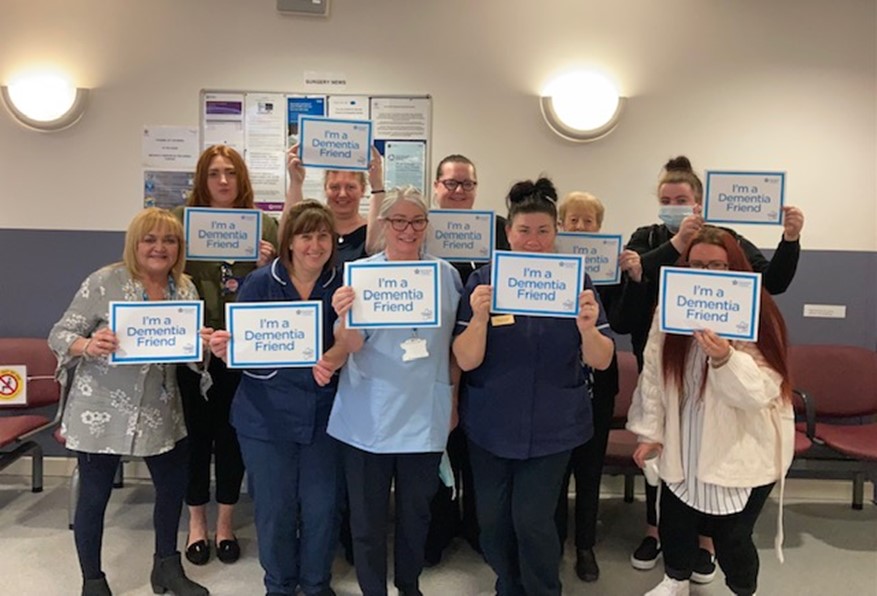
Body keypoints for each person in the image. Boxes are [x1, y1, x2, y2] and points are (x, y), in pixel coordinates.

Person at [616, 156, 804, 580]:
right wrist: (651, 431)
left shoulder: (758, 313)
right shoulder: (665, 288)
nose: (707, 273)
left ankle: (737, 582)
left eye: (716, 266)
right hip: (684, 435)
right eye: (697, 267)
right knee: (675, 515)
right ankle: (675, 578)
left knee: (732, 535)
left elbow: (762, 387)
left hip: (738, 438)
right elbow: (652, 373)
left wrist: (725, 359)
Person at [453, 178, 615, 596]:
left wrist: (586, 328)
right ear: (508, 233)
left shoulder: (576, 284)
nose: (533, 240)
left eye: (543, 231)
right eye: (524, 231)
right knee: (492, 519)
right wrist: (478, 319)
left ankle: (543, 589)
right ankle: (508, 584)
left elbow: (602, 358)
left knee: (532, 518)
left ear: (555, 234)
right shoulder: (484, 285)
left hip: (553, 426)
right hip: (490, 424)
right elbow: (466, 359)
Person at [48, 208, 208, 596]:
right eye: (149, 239)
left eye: (169, 240)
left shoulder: (184, 288)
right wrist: (88, 344)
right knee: (95, 496)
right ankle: (93, 580)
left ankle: (166, 568)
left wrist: (202, 346)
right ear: (134, 244)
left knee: (171, 490)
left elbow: (189, 357)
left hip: (159, 407)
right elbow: (59, 334)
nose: (159, 247)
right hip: (100, 407)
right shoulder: (104, 281)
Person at [203, 200, 346, 596]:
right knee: (275, 509)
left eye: (322, 236)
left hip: (326, 415)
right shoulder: (261, 283)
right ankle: (279, 585)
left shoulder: (343, 286)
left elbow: (355, 341)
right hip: (264, 417)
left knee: (322, 508)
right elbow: (240, 350)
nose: (315, 246)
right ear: (289, 242)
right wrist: (224, 349)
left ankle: (316, 584)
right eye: (305, 236)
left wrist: (336, 355)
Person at [329, 185, 462, 596]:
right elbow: (348, 343)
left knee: (415, 515)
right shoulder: (360, 276)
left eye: (417, 221)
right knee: (366, 520)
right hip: (368, 412)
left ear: (427, 225)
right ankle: (373, 589)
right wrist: (343, 316)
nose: (408, 229)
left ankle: (409, 586)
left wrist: (453, 399)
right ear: (384, 224)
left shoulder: (446, 275)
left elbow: (455, 347)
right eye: (399, 220)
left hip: (425, 412)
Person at [172, 145, 279, 566]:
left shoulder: (265, 224)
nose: (222, 181)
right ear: (202, 178)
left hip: (242, 347)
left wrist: (260, 266)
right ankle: (197, 522)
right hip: (194, 349)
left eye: (230, 173)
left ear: (242, 179)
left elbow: (282, 287)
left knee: (233, 437)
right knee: (196, 438)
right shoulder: (182, 223)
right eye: (214, 173)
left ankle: (225, 523)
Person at [553, 191, 621, 583]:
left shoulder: (608, 271)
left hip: (596, 389)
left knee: (589, 471)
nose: (580, 227)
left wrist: (630, 276)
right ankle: (557, 540)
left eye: (588, 221)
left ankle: (585, 546)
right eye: (572, 220)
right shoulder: (548, 274)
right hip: (558, 391)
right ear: (561, 226)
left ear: (599, 226)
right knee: (556, 474)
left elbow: (623, 324)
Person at [286, 143, 383, 263]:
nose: (342, 194)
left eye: (350, 187)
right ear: (325, 189)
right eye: (335, 187)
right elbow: (289, 231)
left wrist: (377, 184)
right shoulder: (313, 232)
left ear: (362, 190)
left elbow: (377, 249)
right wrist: (295, 181)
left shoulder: (372, 235)